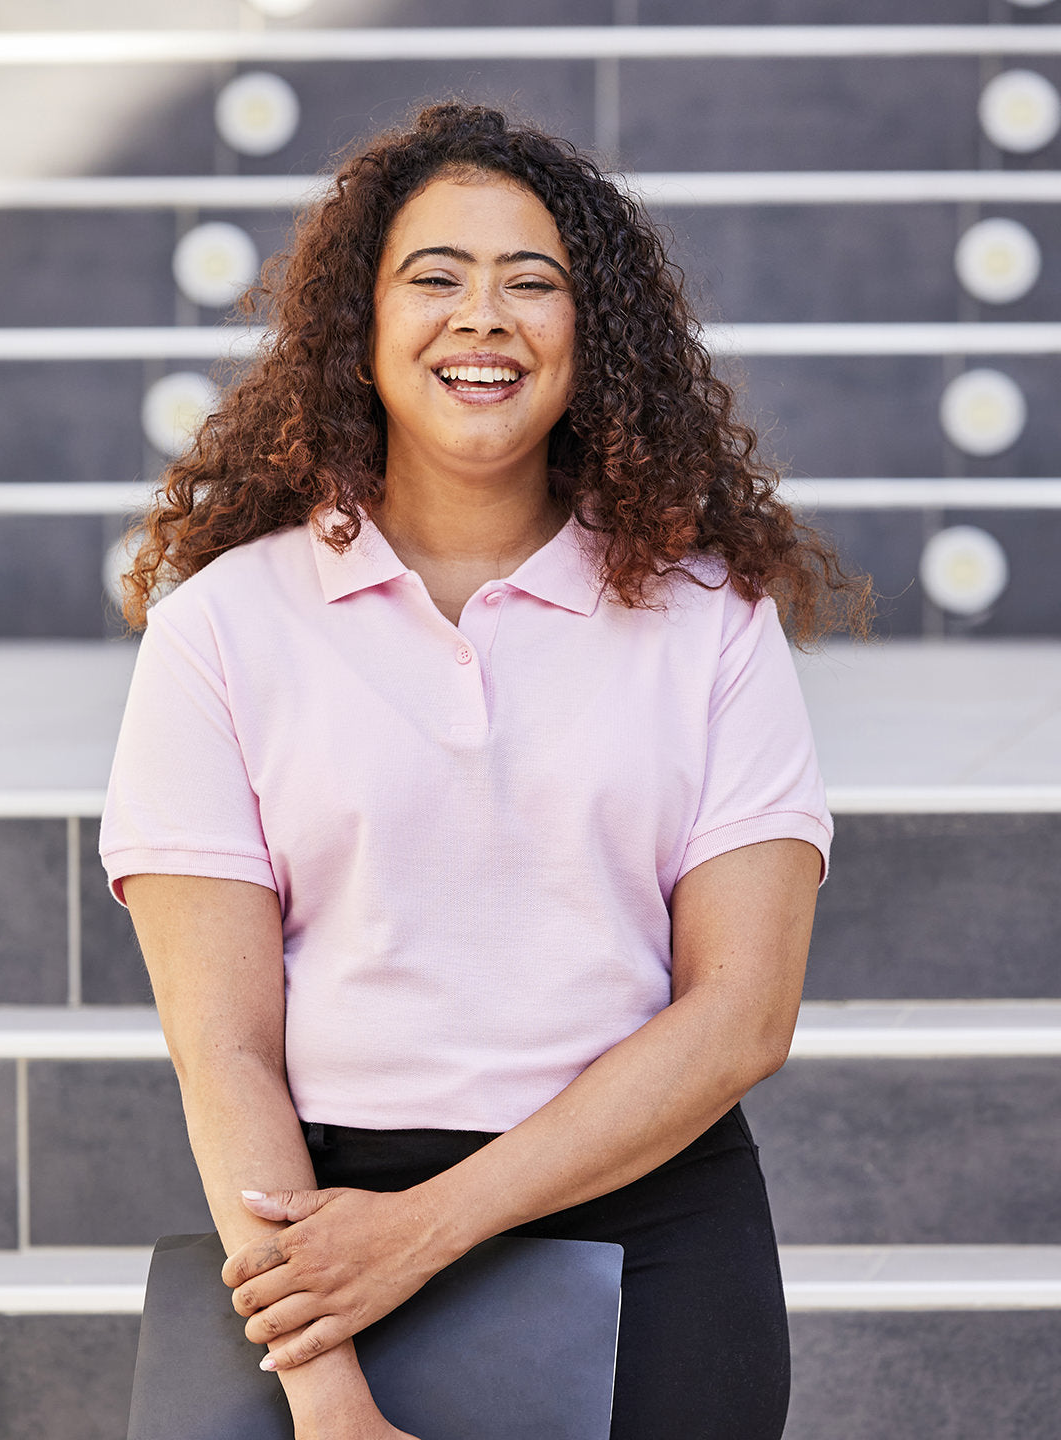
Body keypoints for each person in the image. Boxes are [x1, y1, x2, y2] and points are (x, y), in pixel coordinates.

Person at [100, 102, 869, 1440]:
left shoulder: (711, 620)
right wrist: (328, 1392)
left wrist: (431, 1230)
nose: (484, 316)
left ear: (595, 338)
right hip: (322, 1238)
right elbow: (223, 1049)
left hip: (656, 1233)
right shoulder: (219, 629)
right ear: (361, 327)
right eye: (435, 278)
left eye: (534, 282)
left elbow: (742, 1013)